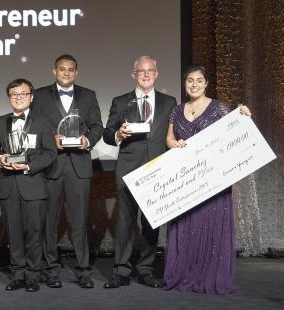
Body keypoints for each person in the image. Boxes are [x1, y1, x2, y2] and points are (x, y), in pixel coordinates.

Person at [163, 65, 250, 294]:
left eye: (199, 80)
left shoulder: (219, 107)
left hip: (214, 180)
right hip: (185, 180)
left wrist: (244, 115)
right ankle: (184, 272)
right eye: (190, 80)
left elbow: (236, 131)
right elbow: (169, 139)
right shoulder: (177, 110)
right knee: (186, 225)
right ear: (185, 84)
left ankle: (209, 275)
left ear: (206, 83)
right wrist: (175, 144)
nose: (194, 84)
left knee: (209, 227)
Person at [102, 55, 177, 289]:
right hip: (128, 169)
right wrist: (118, 135)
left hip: (157, 169)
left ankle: (145, 269)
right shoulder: (120, 101)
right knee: (124, 222)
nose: (146, 74)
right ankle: (121, 271)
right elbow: (107, 134)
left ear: (157, 74)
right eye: (141, 71)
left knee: (150, 223)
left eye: (150, 71)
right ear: (133, 75)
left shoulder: (169, 101)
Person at [32, 54, 104, 288]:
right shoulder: (40, 95)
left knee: (80, 222)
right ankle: (50, 269)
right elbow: (32, 125)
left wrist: (88, 140)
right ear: (54, 71)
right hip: (51, 165)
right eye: (62, 69)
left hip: (79, 165)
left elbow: (97, 126)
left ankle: (83, 270)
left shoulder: (88, 95)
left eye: (70, 70)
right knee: (49, 222)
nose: (66, 73)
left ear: (77, 72)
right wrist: (50, 139)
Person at [0, 79, 57, 293]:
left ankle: (32, 275)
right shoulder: (0, 121)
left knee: (34, 233)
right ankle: (17, 274)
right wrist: (0, 159)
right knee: (13, 234)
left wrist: (28, 166)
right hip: (9, 186)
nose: (18, 98)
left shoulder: (43, 121)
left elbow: (50, 153)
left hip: (33, 185)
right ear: (9, 98)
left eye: (22, 94)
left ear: (31, 96)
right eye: (13, 94)